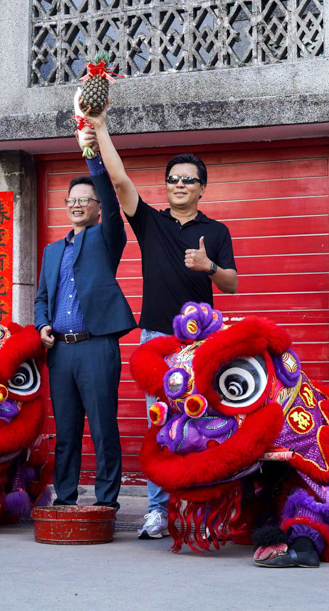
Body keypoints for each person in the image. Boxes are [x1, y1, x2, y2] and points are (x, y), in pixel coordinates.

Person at [75, 91, 238, 538]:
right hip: (156, 341)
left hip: (200, 344)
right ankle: (157, 510)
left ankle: (201, 508)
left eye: (188, 180)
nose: (179, 185)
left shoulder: (216, 231)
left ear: (202, 187)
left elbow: (232, 285)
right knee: (160, 424)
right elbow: (121, 181)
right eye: (173, 179)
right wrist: (101, 127)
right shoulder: (151, 222)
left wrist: (210, 268)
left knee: (203, 419)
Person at [34, 151, 136, 511]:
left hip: (96, 346)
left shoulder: (107, 237)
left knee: (103, 428)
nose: (77, 205)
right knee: (66, 431)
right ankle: (65, 498)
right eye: (71, 200)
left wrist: (94, 157)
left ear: (95, 207)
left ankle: (107, 501)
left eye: (84, 200)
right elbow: (41, 298)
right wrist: (42, 325)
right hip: (60, 351)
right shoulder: (50, 251)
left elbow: (112, 202)